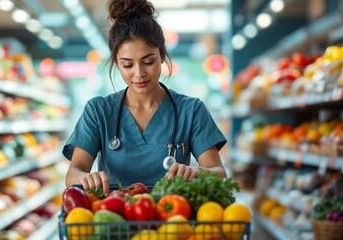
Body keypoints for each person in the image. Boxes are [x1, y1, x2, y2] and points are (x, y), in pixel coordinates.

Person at [63, 0, 227, 196]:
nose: (139, 73)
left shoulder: (191, 110)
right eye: (128, 65)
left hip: (174, 217)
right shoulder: (99, 111)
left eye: (148, 61)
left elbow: (219, 173)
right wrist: (85, 178)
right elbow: (73, 172)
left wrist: (197, 173)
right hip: (115, 218)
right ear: (116, 62)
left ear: (162, 55)